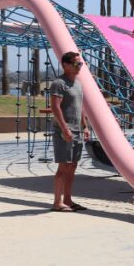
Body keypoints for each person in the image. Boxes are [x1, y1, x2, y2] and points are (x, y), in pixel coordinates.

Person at [49, 51, 89, 211]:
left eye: (80, 64)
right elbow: (55, 107)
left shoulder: (78, 84)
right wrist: (65, 128)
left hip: (77, 130)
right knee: (63, 167)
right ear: (65, 65)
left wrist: (85, 126)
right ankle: (57, 202)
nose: (79, 67)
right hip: (64, 131)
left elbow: (81, 107)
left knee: (72, 166)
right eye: (76, 64)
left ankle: (68, 199)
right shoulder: (59, 83)